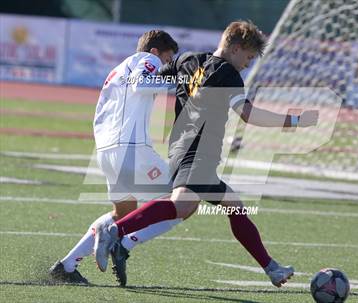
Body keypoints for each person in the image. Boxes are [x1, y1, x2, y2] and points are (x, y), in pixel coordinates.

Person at [94, 20, 318, 287]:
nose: (247, 64)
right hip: (199, 151)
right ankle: (115, 231)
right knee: (181, 206)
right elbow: (248, 114)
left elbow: (146, 81)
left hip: (182, 149)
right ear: (235, 48)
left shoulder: (187, 60)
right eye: (247, 57)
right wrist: (295, 122)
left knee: (234, 207)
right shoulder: (228, 74)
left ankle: (272, 268)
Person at [49, 30, 182, 286]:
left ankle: (66, 266)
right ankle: (122, 243)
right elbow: (141, 84)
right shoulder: (148, 59)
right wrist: (180, 80)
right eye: (167, 59)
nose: (166, 66)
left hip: (107, 151)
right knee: (182, 202)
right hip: (130, 148)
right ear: (155, 52)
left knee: (122, 213)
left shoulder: (119, 68)